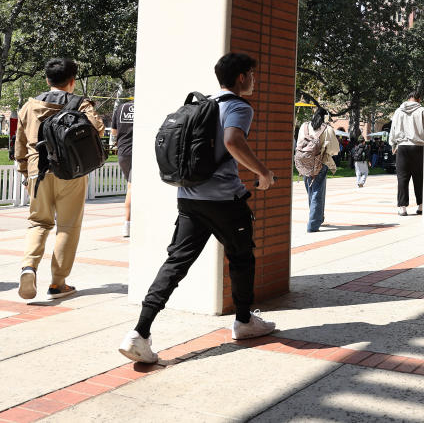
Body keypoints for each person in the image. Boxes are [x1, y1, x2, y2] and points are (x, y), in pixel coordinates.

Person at [118, 53, 278, 364]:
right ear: (242, 77)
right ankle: (244, 321)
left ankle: (140, 332)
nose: (253, 81)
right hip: (224, 201)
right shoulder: (238, 106)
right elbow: (233, 141)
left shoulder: (201, 105)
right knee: (242, 257)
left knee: (175, 263)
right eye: (251, 75)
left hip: (189, 198)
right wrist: (263, 173)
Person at [16, 58, 106, 300]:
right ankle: (58, 284)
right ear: (72, 81)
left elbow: (20, 145)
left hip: (38, 172)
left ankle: (28, 268)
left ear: (47, 80)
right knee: (67, 226)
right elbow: (98, 128)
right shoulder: (80, 104)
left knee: (38, 222)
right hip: (71, 172)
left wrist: (25, 174)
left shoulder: (29, 105)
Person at [296, 107, 339, 232]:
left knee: (310, 191)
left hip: (304, 163)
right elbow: (334, 149)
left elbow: (299, 143)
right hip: (320, 163)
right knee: (317, 193)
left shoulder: (304, 126)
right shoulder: (327, 129)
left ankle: (317, 216)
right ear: (326, 117)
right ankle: (313, 224)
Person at [388, 90, 424, 216]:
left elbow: (393, 129)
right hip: (419, 146)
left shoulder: (398, 112)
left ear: (408, 98)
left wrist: (393, 144)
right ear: (419, 99)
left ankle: (402, 207)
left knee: (402, 178)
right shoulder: (423, 111)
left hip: (402, 146)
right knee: (419, 177)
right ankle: (421, 206)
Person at [110, 99, 135, 238]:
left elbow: (114, 131)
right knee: (132, 189)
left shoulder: (121, 107)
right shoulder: (146, 107)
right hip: (138, 152)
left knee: (130, 188)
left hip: (123, 152)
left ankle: (129, 223)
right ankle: (128, 224)